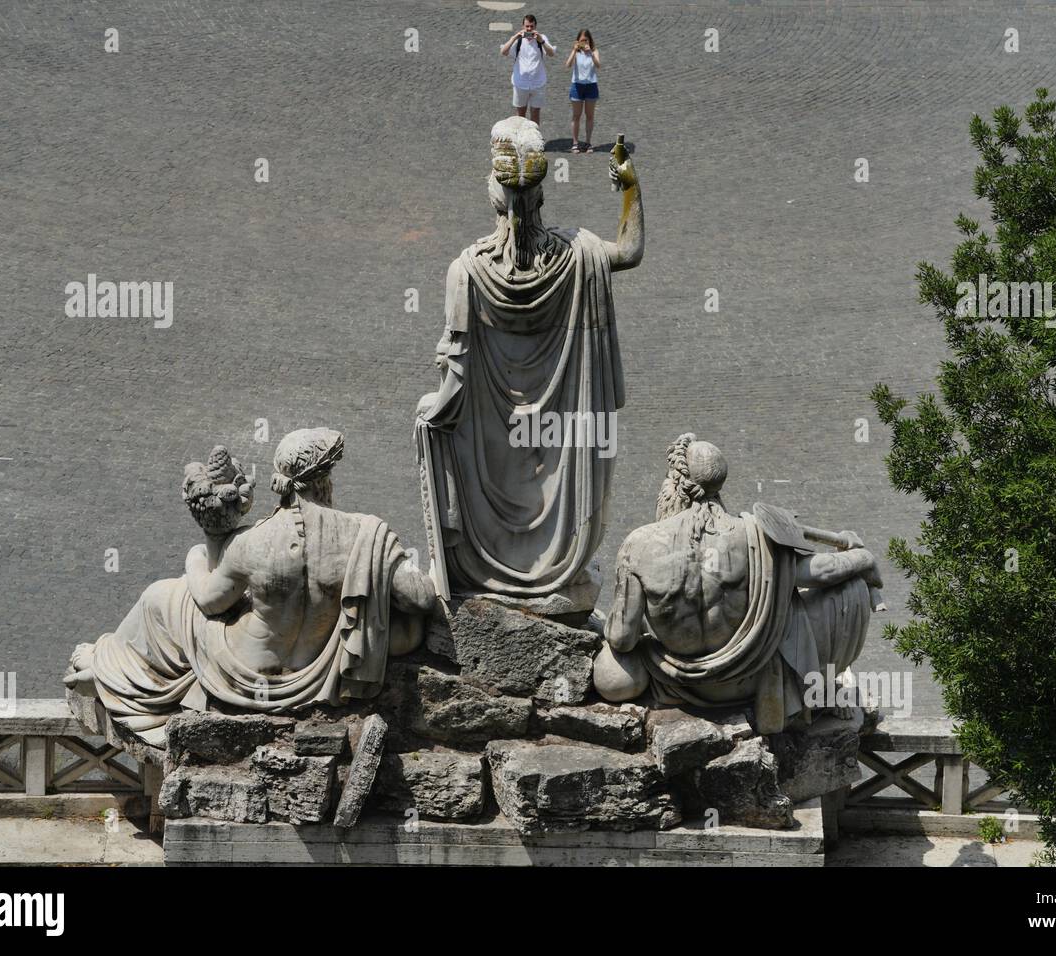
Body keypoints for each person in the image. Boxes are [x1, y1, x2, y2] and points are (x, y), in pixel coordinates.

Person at [65, 428, 436, 745]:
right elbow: (419, 598)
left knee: (162, 597)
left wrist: (198, 554)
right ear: (325, 480)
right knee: (404, 629)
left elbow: (211, 602)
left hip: (243, 671)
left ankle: (106, 668)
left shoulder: (252, 542)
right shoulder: (365, 533)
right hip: (324, 670)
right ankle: (106, 669)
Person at [415, 116, 645, 600]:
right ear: (541, 194)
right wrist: (630, 188)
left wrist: (428, 414)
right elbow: (628, 250)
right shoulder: (578, 256)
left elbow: (454, 382)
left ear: (495, 193)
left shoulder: (467, 272)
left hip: (489, 470)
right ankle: (552, 567)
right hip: (558, 456)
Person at [592, 435, 883, 733]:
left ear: (675, 482)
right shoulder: (755, 536)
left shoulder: (639, 544)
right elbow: (821, 574)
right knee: (852, 589)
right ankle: (818, 687)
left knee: (612, 673)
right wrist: (863, 559)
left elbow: (622, 639)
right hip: (748, 683)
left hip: (676, 682)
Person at [500, 14, 554, 125]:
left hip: (538, 83)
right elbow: (504, 52)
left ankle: (535, 140)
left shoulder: (541, 38)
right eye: (527, 26)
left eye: (531, 27)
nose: (529, 29)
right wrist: (514, 37)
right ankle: (520, 140)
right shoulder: (518, 40)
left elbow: (551, 53)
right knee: (520, 115)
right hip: (520, 83)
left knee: (535, 114)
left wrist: (541, 41)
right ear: (523, 26)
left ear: (535, 27)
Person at [565, 29, 600, 153]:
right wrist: (574, 50)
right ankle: (575, 142)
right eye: (582, 40)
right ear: (577, 41)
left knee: (590, 116)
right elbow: (568, 65)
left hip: (591, 85)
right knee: (576, 116)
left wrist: (590, 52)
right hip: (577, 86)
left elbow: (598, 65)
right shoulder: (576, 52)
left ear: (590, 40)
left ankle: (588, 142)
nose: (584, 43)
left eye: (586, 40)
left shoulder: (594, 51)